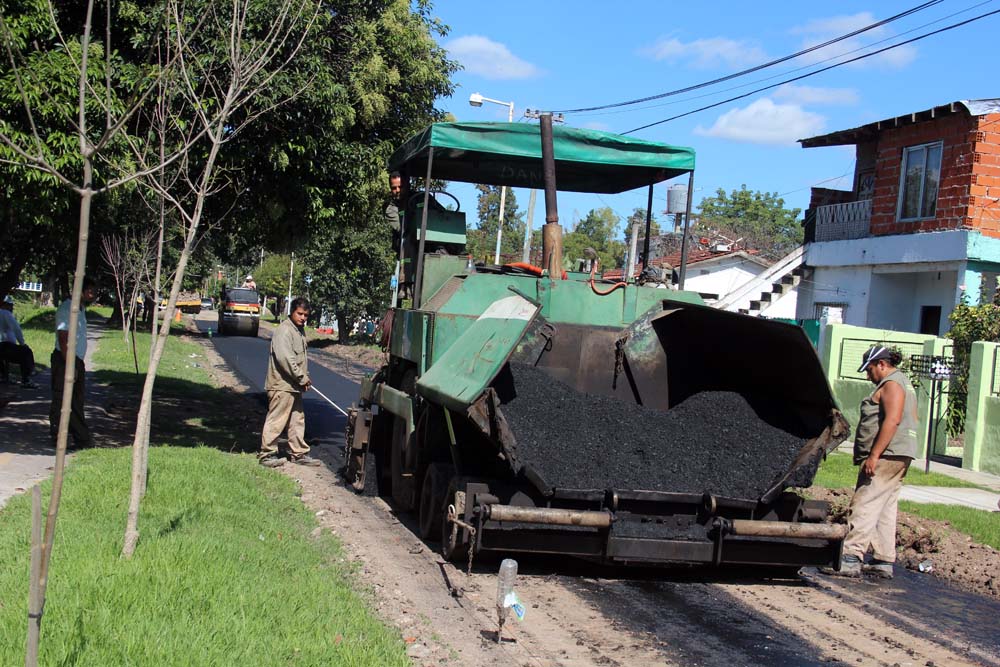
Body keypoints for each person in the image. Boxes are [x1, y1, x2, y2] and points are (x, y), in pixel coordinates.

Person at [822, 345, 918, 579]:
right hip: (900, 453)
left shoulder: (892, 385)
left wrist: (874, 455)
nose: (868, 376)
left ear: (882, 364)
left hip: (886, 455)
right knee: (885, 506)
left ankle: (850, 557)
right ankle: (883, 560)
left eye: (870, 369)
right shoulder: (904, 382)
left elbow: (893, 420)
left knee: (865, 502)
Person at [259, 296, 321, 468]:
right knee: (277, 419)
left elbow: (300, 359)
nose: (303, 318)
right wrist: (302, 378)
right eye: (300, 314)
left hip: (293, 386)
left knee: (297, 420)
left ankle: (298, 453)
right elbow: (285, 359)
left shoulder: (298, 331)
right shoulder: (284, 331)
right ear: (292, 312)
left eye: (306, 315)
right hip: (282, 385)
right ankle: (267, 454)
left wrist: (304, 377)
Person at [49, 277, 97, 449]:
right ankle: (61, 436)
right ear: (81, 291)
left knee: (76, 400)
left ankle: (79, 437)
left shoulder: (81, 310)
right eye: (90, 292)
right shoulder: (67, 308)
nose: (93, 296)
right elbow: (63, 337)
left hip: (76, 360)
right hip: (66, 359)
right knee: (62, 398)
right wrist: (70, 364)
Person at [0, 295, 37, 388]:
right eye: (11, 305)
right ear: (6, 305)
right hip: (4, 345)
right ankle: (26, 379)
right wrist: (22, 343)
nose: (12, 308)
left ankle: (3, 376)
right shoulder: (5, 313)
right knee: (25, 352)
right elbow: (16, 329)